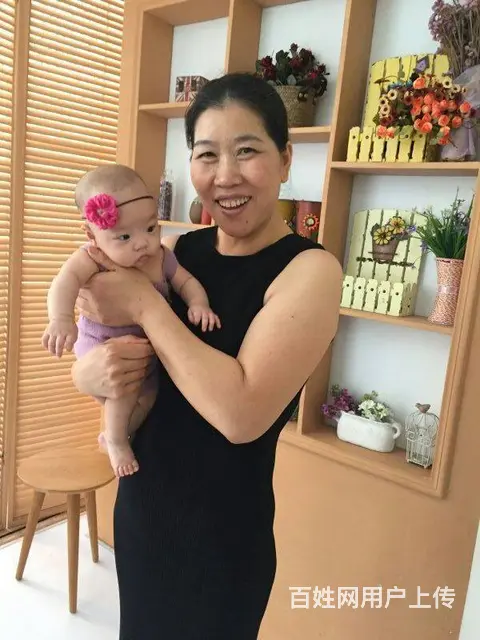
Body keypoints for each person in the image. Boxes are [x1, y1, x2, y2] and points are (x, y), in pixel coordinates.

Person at [71, 72, 342, 639]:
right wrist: (88, 373)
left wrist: (145, 304)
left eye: (247, 151)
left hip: (222, 543)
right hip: (143, 512)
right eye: (206, 154)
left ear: (286, 158)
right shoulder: (178, 249)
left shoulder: (309, 271)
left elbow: (240, 415)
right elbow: (119, 348)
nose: (225, 176)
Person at [42, 164, 220, 477]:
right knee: (125, 390)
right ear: (92, 235)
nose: (142, 243)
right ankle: (114, 438)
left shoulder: (162, 257)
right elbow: (64, 282)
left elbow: (187, 281)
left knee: (147, 397)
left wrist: (199, 303)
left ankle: (122, 433)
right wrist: (60, 318)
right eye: (124, 236)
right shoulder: (91, 257)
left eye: (150, 228)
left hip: (143, 354)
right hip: (102, 344)